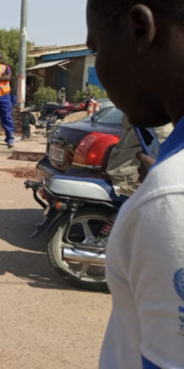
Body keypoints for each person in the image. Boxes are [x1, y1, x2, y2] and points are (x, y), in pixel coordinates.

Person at [86, 1, 184, 368]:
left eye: (96, 49)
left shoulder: (172, 197)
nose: (99, 68)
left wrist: (157, 190)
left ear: (140, 30)